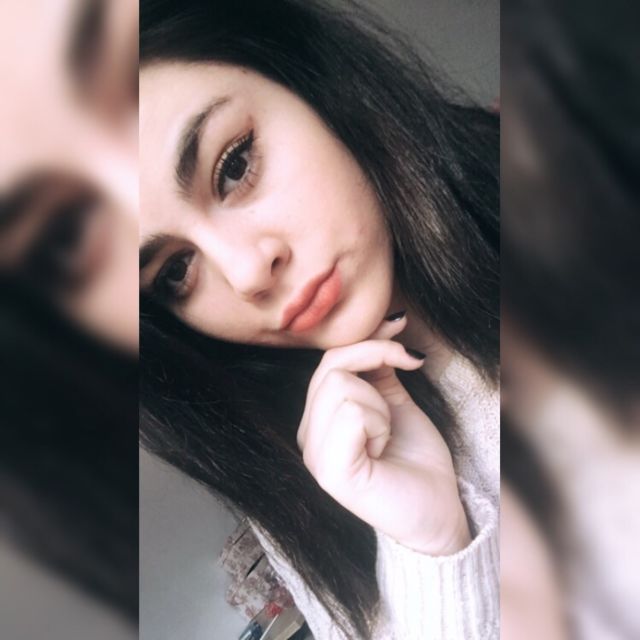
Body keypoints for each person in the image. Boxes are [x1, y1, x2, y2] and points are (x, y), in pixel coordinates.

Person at [139, 1, 499, 638]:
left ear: (308, 79)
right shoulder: (298, 475)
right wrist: (432, 548)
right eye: (176, 271)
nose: (247, 273)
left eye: (234, 166)